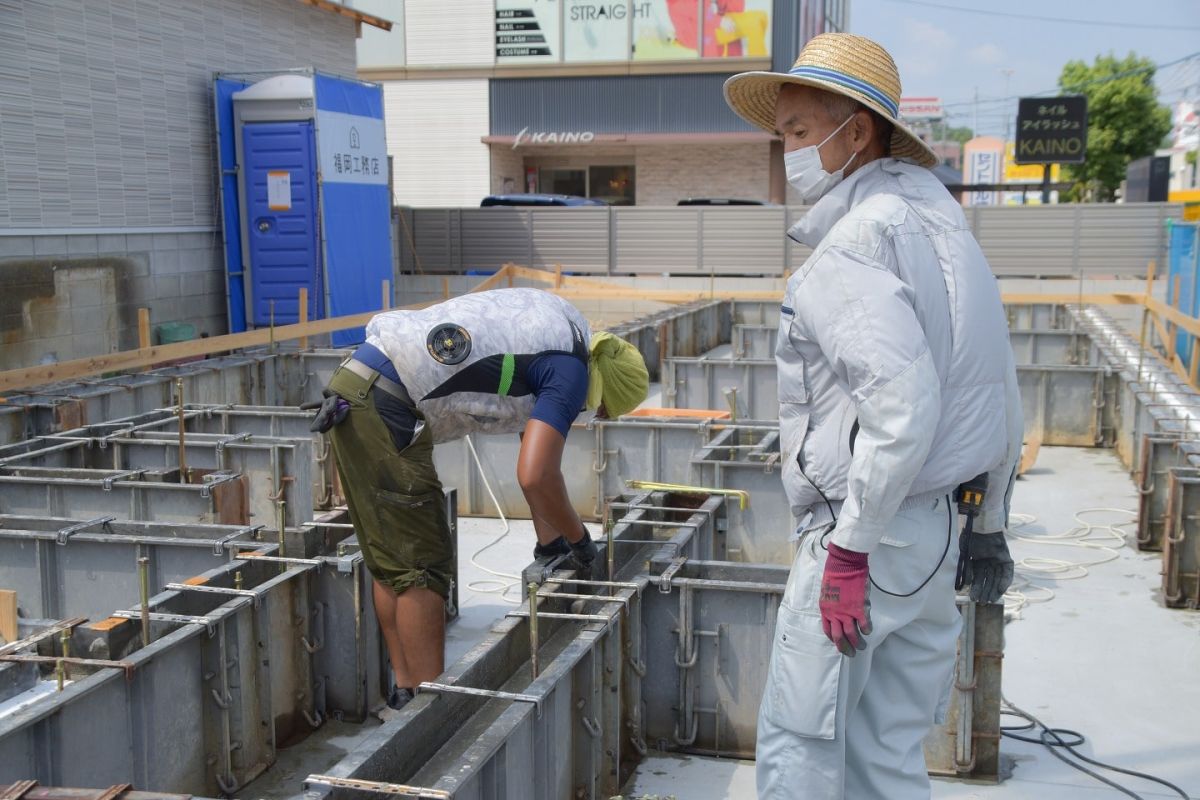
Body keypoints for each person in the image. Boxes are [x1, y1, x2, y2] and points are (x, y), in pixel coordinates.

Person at [724, 33, 1022, 798]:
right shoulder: (946, 229)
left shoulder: (853, 246)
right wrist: (988, 529)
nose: (785, 151)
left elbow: (903, 406)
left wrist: (849, 552)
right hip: (934, 534)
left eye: (797, 132)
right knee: (886, 752)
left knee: (802, 742)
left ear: (855, 132)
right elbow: (996, 389)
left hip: (866, 535)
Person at [303, 288, 649, 718]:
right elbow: (536, 473)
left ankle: (406, 692)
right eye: (602, 412)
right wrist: (580, 541)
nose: (591, 416)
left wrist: (550, 543)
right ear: (605, 390)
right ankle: (431, 715)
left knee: (390, 557)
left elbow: (534, 446)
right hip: (384, 401)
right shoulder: (571, 371)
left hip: (354, 386)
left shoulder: (564, 333)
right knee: (421, 566)